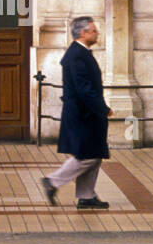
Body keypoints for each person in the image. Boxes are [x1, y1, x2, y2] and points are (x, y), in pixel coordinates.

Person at [39, 16, 111, 209]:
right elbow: (84, 88)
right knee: (87, 155)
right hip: (83, 114)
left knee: (94, 154)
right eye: (94, 30)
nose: (97, 33)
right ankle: (53, 181)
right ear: (83, 33)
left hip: (87, 113)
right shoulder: (77, 55)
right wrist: (102, 109)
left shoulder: (81, 52)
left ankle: (86, 196)